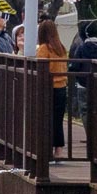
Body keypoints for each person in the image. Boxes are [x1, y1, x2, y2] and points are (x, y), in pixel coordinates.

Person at [38, 18, 69, 149]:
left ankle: (47, 148)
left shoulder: (44, 48)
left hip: (49, 87)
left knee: (46, 119)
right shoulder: (61, 48)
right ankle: (59, 149)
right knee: (58, 119)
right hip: (62, 87)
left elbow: (40, 66)